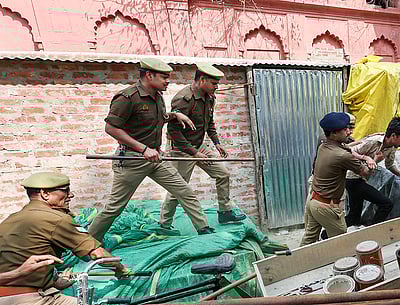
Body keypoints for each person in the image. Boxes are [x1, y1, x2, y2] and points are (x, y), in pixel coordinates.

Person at [88, 58, 216, 240]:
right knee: (114, 208)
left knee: (185, 191)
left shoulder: (157, 96)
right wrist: (143, 150)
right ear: (149, 75)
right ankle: (88, 243)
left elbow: (157, 119)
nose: (168, 81)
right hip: (132, 160)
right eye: (164, 77)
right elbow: (111, 128)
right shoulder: (127, 97)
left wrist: (173, 115)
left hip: (155, 159)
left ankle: (204, 230)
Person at [0, 172, 128, 305]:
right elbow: (98, 254)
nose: (70, 195)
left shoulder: (9, 220)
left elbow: (20, 260)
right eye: (65, 190)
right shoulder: (56, 218)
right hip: (31, 298)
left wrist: (56, 280)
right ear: (45, 194)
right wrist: (121, 269)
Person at [161, 63, 246, 230]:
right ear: (202, 80)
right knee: (178, 189)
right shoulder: (183, 99)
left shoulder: (209, 96)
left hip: (199, 145)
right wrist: (193, 153)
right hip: (181, 149)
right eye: (214, 84)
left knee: (223, 174)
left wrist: (217, 143)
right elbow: (174, 132)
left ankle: (225, 212)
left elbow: (209, 122)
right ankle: (164, 224)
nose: (217, 87)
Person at [300, 112, 371, 246]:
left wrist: (362, 157)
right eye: (345, 129)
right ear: (333, 133)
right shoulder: (342, 156)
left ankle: (295, 263)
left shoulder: (323, 146)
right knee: (341, 244)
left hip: (313, 199)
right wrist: (374, 160)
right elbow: (365, 172)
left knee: (309, 239)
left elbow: (345, 149)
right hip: (326, 206)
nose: (349, 132)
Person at [345, 117, 400, 227]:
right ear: (393, 136)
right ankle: (372, 232)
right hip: (352, 178)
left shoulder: (392, 146)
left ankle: (326, 235)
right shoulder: (373, 142)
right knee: (386, 204)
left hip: (362, 178)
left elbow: (389, 164)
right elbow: (349, 152)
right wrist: (367, 158)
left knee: (354, 217)